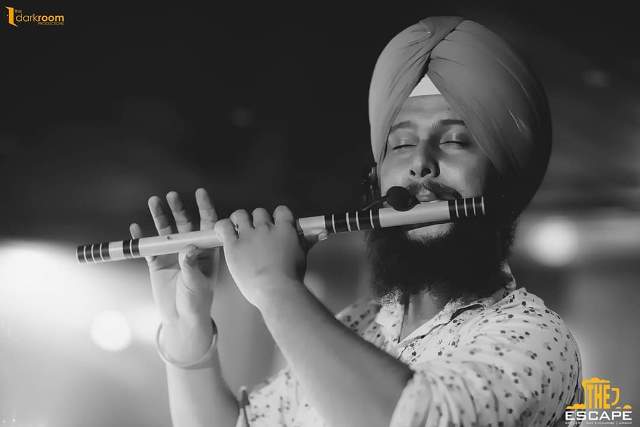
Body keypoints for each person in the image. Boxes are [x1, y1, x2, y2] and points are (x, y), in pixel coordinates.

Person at [129, 16, 583, 427]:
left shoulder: (534, 337)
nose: (420, 164)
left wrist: (275, 286)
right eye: (400, 145)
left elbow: (416, 418)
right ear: (376, 180)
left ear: (503, 180)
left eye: (455, 141)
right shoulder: (358, 325)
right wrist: (186, 329)